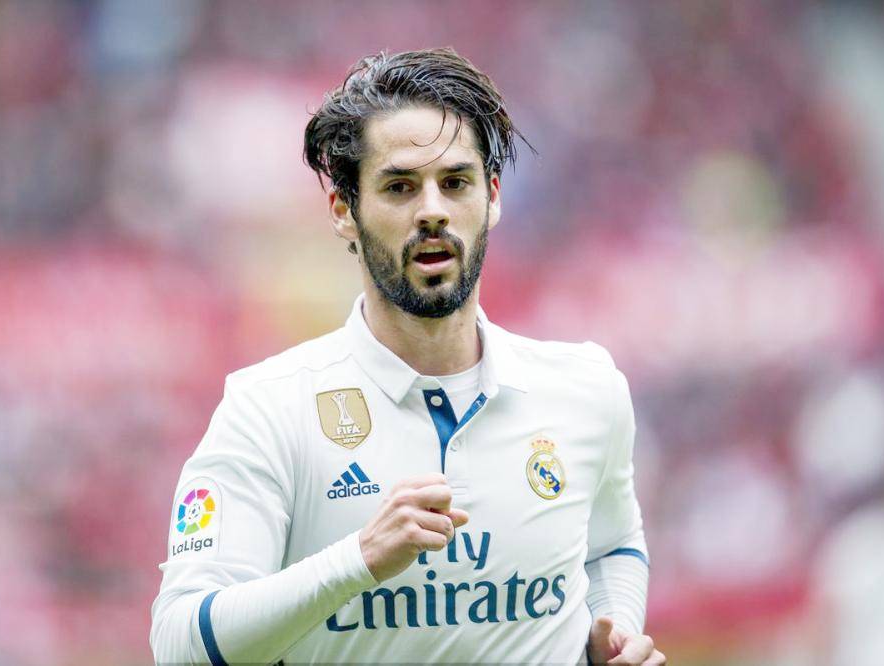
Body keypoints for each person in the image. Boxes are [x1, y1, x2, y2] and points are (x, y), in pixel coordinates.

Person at [151, 47, 665, 665]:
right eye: (399, 187)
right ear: (345, 211)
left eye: (455, 183)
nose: (432, 211)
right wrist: (358, 560)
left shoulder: (586, 390)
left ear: (492, 197)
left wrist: (615, 630)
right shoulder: (267, 409)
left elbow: (612, 545)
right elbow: (180, 643)